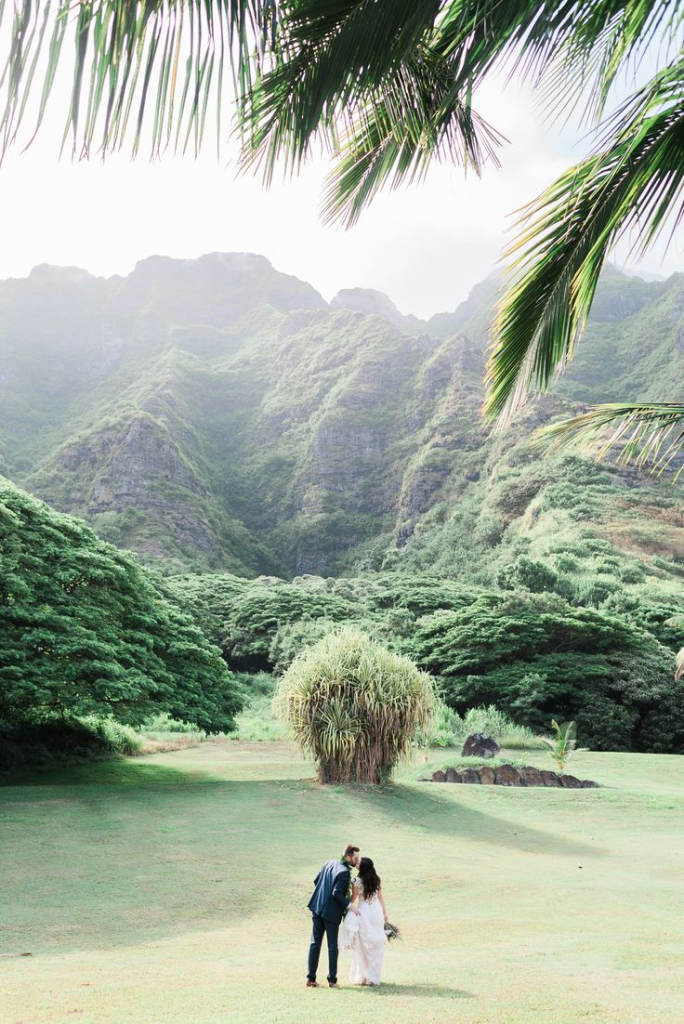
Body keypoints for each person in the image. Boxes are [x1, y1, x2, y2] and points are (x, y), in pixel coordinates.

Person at [306, 844, 360, 988]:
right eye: (355, 858)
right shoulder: (344, 872)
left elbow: (316, 880)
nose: (357, 861)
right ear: (348, 857)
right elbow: (336, 893)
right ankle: (332, 980)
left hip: (317, 907)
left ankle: (311, 979)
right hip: (331, 913)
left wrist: (323, 896)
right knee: (332, 946)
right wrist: (350, 906)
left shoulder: (329, 863)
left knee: (315, 943)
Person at [341, 856, 388, 986]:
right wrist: (384, 912)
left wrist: (346, 906)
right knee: (376, 943)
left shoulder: (356, 881)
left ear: (362, 867)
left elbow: (354, 898)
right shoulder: (376, 880)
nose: (356, 863)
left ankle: (364, 976)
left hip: (365, 912)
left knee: (364, 945)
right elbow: (380, 896)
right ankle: (373, 976)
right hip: (376, 912)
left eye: (359, 863)